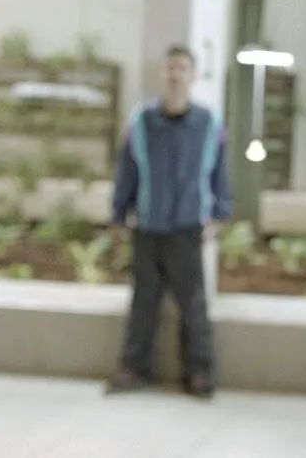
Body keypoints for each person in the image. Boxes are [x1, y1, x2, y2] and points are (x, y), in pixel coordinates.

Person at [105, 44, 232, 399]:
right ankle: (133, 368)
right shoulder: (141, 122)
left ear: (193, 76)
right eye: (170, 68)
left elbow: (220, 174)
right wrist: (118, 215)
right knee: (142, 303)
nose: (176, 75)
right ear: (161, 74)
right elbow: (127, 171)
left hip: (188, 227)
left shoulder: (208, 124)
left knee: (193, 306)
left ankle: (199, 373)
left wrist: (220, 214)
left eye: (182, 69)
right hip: (147, 225)